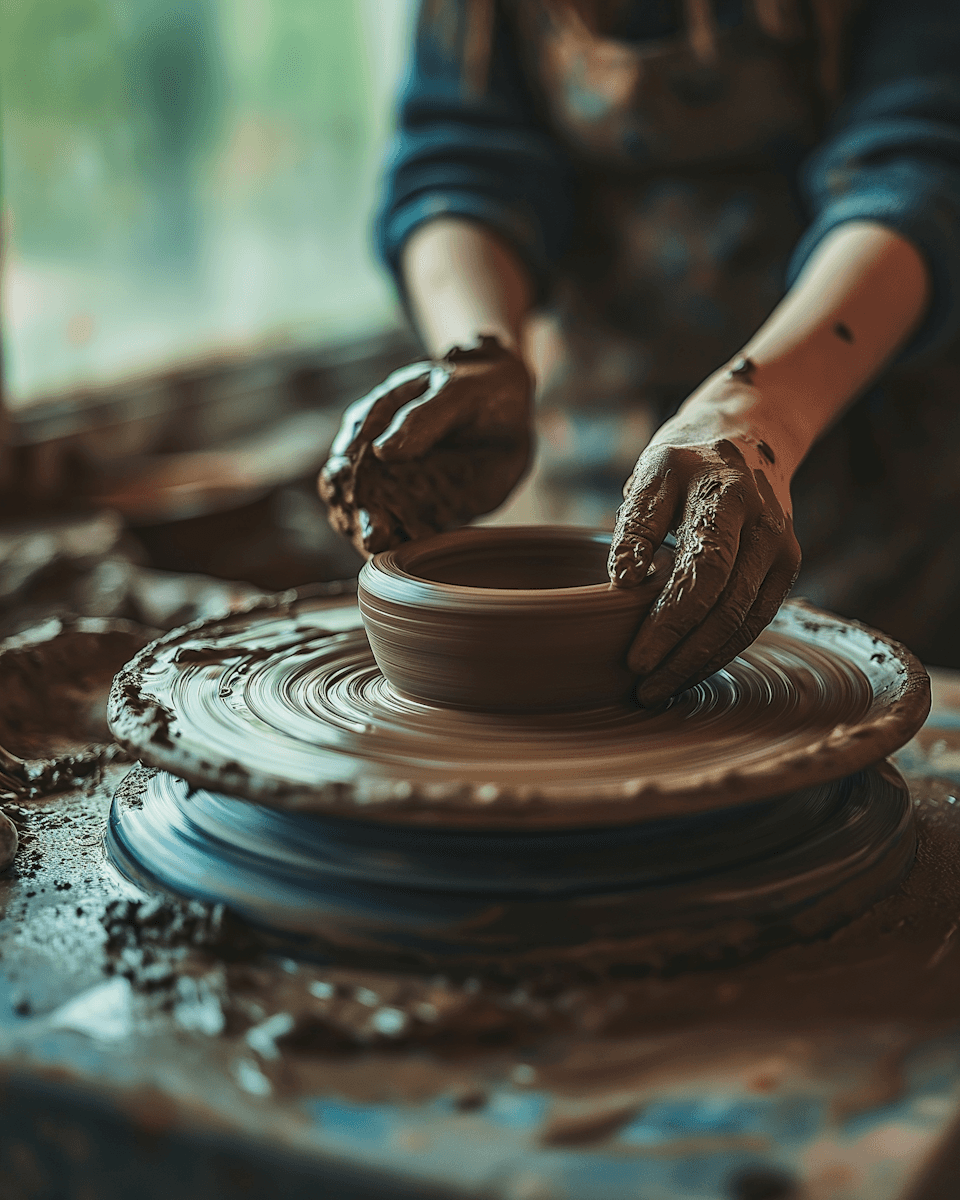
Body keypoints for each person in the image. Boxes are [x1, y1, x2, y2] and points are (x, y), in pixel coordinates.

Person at [320, 0, 960, 703]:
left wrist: (755, 412)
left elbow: (920, 172)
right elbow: (460, 158)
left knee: (858, 735)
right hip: (585, 446)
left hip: (862, 454)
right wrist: (476, 355)